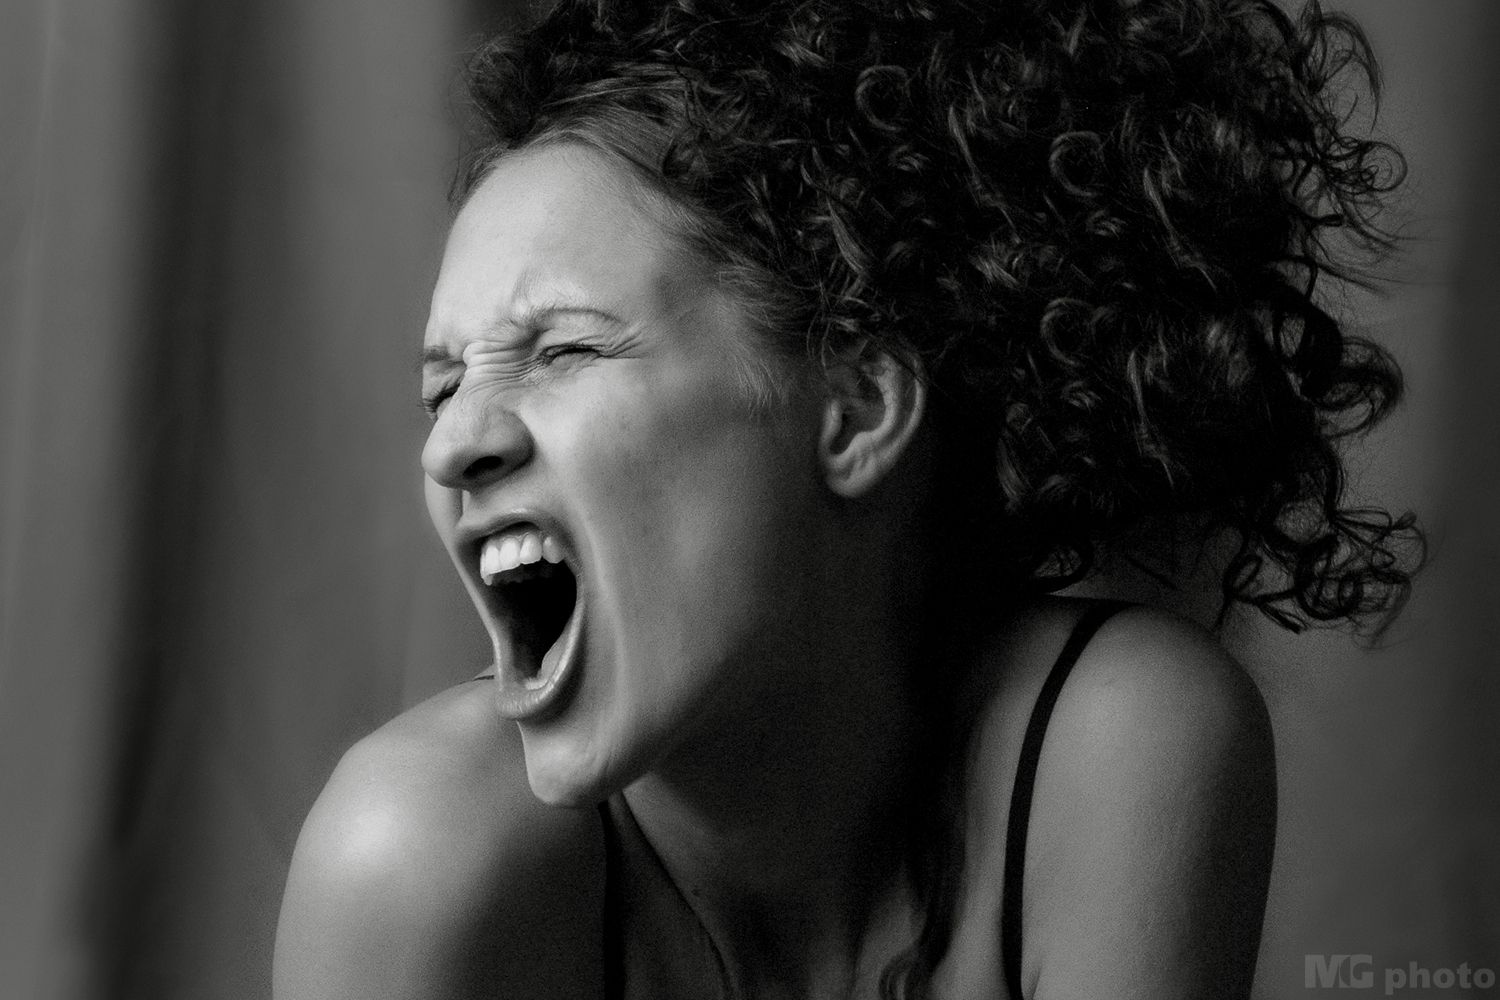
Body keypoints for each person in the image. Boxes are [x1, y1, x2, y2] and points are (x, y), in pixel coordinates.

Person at [272, 0, 1419, 997]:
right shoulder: (413, 857)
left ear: (860, 409)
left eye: (564, 350)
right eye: (442, 386)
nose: (453, 444)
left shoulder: (1111, 740)